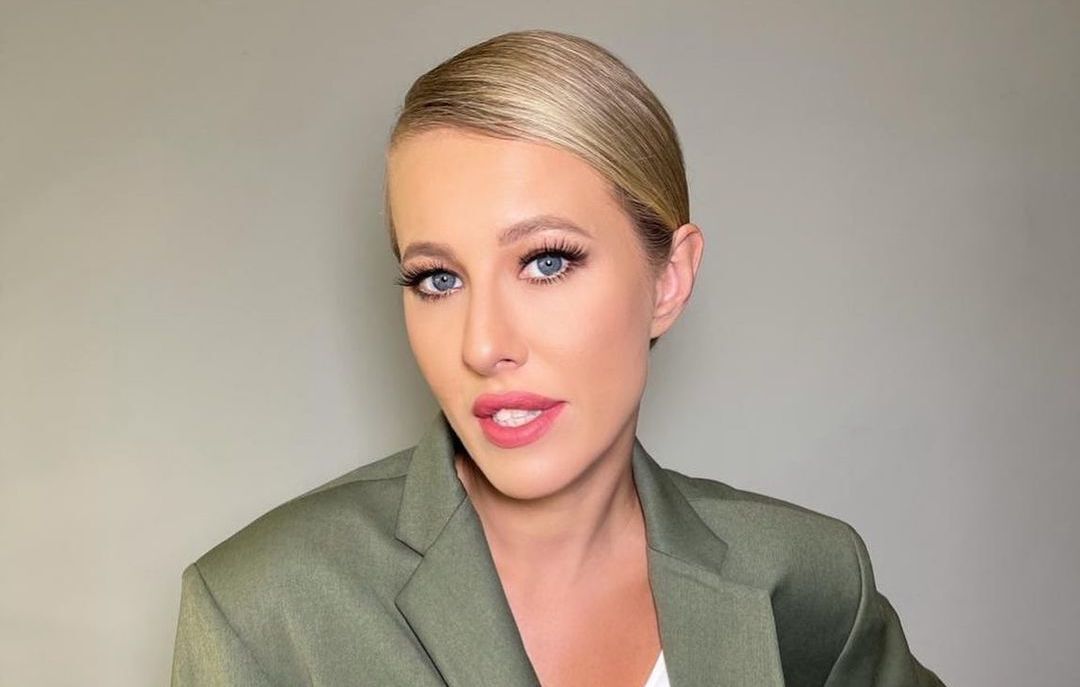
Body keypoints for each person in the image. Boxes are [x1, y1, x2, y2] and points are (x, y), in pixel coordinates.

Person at [171, 29, 946, 687]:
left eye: (546, 261)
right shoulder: (262, 607)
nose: (483, 345)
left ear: (669, 280)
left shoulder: (806, 582)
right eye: (437, 278)